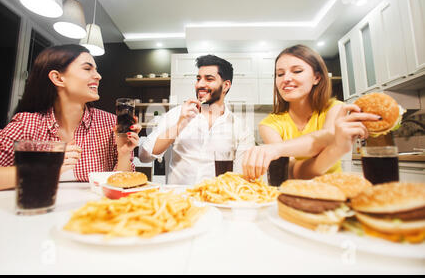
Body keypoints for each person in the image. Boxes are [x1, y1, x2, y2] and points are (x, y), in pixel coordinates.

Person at [0, 44, 141, 192]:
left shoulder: (110, 123)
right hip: (37, 215)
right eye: (87, 68)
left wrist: (124, 154)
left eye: (96, 69)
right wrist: (46, 167)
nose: (98, 76)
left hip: (93, 216)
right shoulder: (27, 124)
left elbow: (122, 186)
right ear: (58, 78)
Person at [242, 44, 380, 180]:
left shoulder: (336, 108)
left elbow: (326, 137)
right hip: (293, 194)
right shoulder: (269, 124)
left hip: (334, 192)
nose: (286, 79)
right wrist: (336, 149)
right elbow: (292, 172)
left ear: (317, 78)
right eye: (280, 74)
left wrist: (277, 149)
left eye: (297, 71)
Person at [139, 54, 254, 185]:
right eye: (198, 79)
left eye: (209, 79)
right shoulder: (177, 114)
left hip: (216, 201)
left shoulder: (240, 128)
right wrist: (179, 125)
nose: (200, 84)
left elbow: (241, 177)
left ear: (226, 85)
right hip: (178, 201)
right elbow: (145, 156)